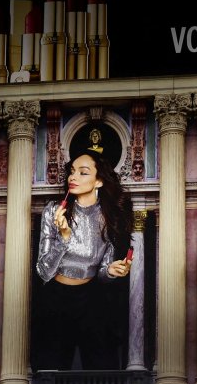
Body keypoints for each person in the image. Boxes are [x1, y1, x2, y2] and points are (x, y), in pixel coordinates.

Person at [33, 151, 134, 370]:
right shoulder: (54, 210)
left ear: (98, 181)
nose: (73, 177)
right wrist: (64, 238)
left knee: (101, 369)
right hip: (55, 299)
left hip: (91, 299)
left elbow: (100, 272)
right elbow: (43, 271)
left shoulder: (110, 217)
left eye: (83, 172)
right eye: (71, 172)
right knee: (50, 371)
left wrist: (111, 270)